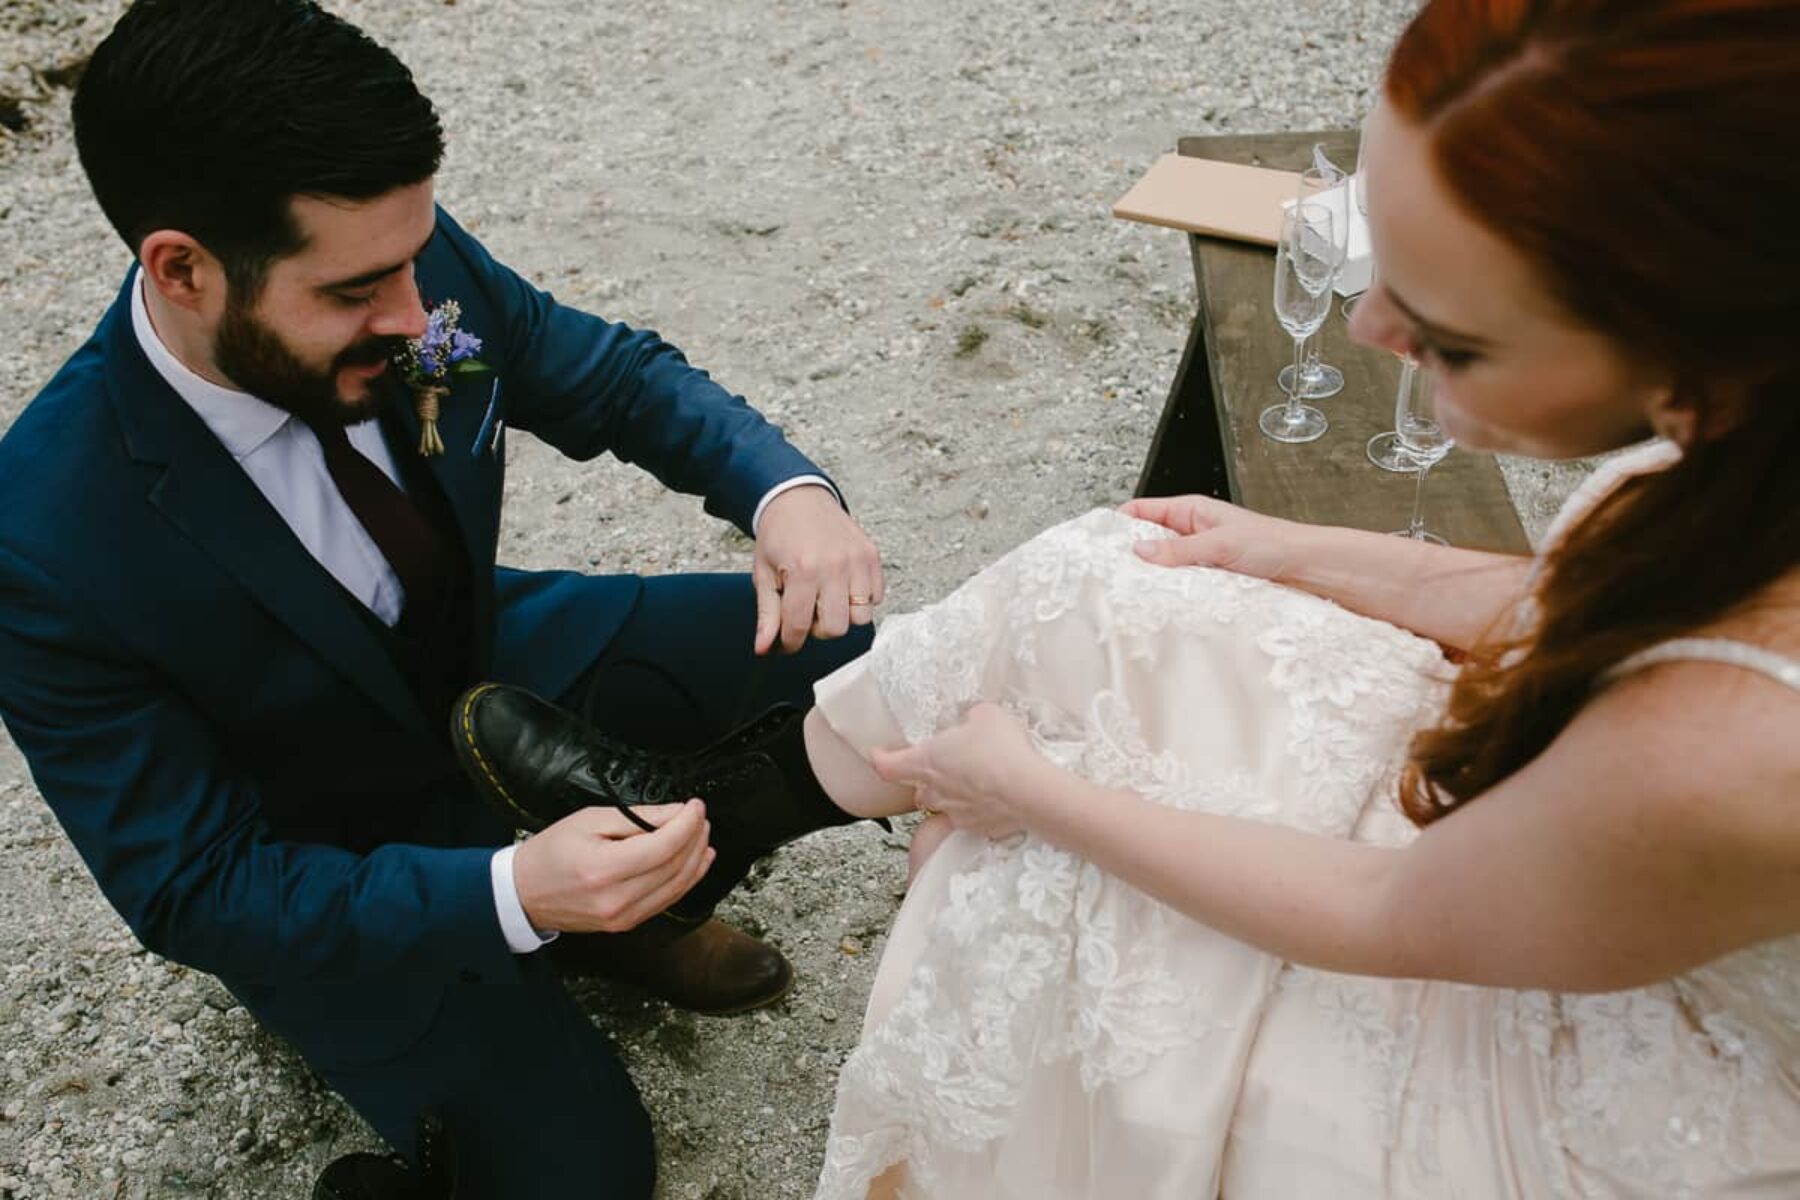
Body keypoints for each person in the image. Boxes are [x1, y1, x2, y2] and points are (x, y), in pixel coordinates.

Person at [459, 0, 1800, 1195]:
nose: (1372, 326)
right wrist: (1276, 544)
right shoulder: (1754, 435)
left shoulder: (1727, 756)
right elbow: (1584, 595)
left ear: (1685, 360)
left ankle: (705, 858)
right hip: (1561, 844)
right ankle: (714, 820)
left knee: (1013, 875)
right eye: (1381, 252)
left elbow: (1396, 922)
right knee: (1101, 574)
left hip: (1547, 1060)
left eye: (1448, 336)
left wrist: (1031, 794)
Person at [0, 1, 889, 1197]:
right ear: (182, 268)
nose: (419, 320)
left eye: (416, 259)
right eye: (361, 290)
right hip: (323, 855)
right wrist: (509, 892)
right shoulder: (43, 537)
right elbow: (191, 885)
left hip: (488, 663)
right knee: (586, 1176)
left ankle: (621, 908)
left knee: (844, 655)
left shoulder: (393, 271)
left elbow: (606, 377)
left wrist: (786, 495)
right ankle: (557, 916)